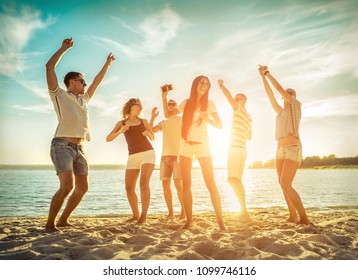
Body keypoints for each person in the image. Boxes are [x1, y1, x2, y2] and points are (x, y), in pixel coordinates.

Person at [45, 38, 115, 232]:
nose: (85, 84)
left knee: (82, 188)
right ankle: (50, 224)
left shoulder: (84, 99)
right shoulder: (59, 94)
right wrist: (63, 48)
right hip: (62, 146)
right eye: (82, 80)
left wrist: (107, 64)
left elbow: (97, 82)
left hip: (80, 148)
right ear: (72, 82)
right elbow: (49, 67)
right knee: (67, 186)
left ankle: (63, 220)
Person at [162, 75, 226, 230]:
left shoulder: (210, 104)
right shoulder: (187, 103)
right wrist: (164, 96)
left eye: (207, 83)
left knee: (210, 183)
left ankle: (220, 222)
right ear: (195, 84)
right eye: (202, 82)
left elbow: (220, 125)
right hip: (185, 146)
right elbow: (167, 115)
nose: (204, 85)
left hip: (203, 145)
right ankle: (189, 221)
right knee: (186, 185)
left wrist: (208, 119)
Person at [258, 65, 310, 224]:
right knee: (282, 184)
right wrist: (262, 77)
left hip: (293, 148)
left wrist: (267, 73)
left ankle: (304, 218)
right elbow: (270, 94)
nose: (288, 94)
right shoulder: (280, 111)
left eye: (291, 92)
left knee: (286, 184)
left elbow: (279, 88)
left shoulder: (296, 106)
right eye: (287, 93)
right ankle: (292, 215)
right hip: (280, 148)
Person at [106, 98, 155, 224]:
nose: (139, 107)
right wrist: (119, 131)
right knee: (129, 187)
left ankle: (143, 217)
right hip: (133, 155)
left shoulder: (143, 121)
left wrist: (148, 134)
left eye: (140, 105)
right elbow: (108, 138)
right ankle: (135, 215)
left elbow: (153, 136)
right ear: (130, 107)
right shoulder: (121, 123)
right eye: (136, 105)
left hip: (147, 153)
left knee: (143, 184)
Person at [218, 79, 252, 220]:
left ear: (243, 100)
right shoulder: (249, 117)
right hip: (243, 150)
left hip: (235, 149)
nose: (235, 99)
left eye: (238, 97)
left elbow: (228, 96)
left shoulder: (238, 108)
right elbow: (250, 136)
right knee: (237, 180)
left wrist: (221, 86)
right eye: (236, 98)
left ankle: (244, 211)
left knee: (232, 180)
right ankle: (244, 211)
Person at [150, 98, 185, 220]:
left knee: (178, 185)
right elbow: (151, 131)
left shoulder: (181, 119)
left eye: (173, 104)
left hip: (177, 157)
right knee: (165, 184)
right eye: (169, 104)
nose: (170, 106)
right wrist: (153, 117)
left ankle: (184, 211)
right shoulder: (163, 122)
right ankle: (170, 213)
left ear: (176, 106)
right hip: (164, 157)